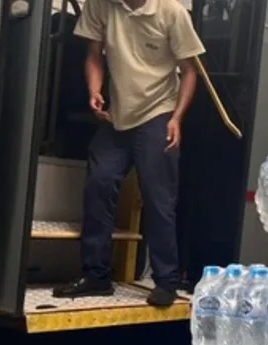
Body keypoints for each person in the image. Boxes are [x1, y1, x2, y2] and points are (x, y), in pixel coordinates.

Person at [52, 0, 206, 307]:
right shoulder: (101, 5)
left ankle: (166, 281)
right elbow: (94, 55)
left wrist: (176, 118)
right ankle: (96, 276)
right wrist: (95, 89)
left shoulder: (171, 12)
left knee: (158, 199)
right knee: (99, 183)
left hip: (158, 112)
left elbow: (190, 72)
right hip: (118, 116)